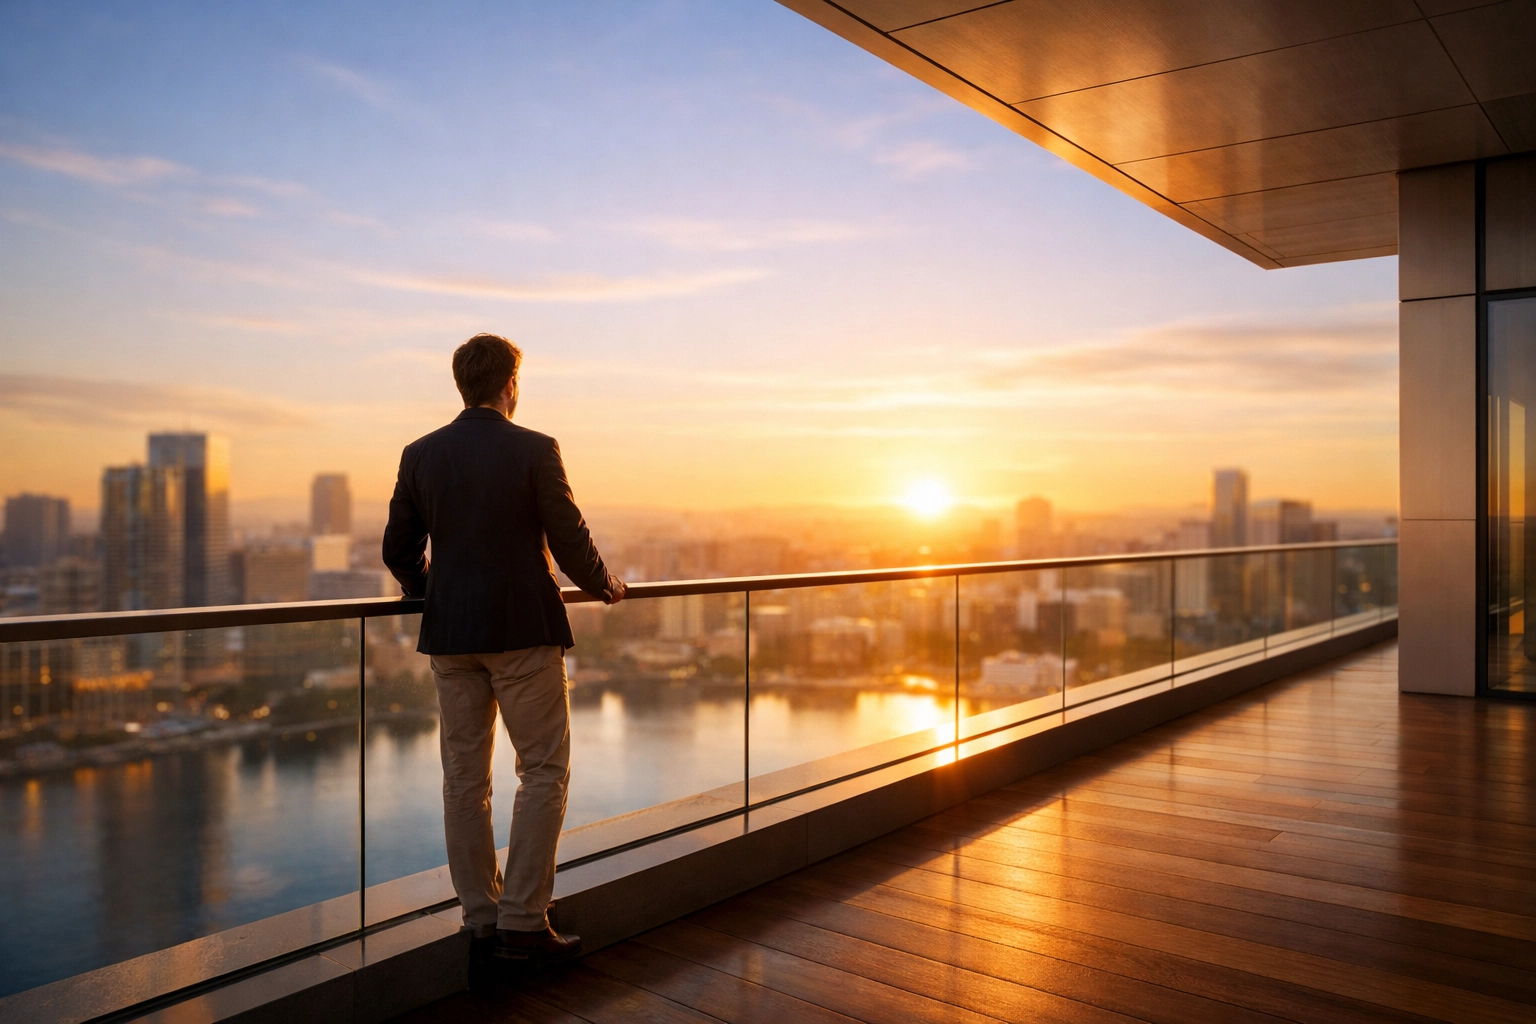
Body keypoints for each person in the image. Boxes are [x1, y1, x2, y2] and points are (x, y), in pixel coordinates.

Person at [382, 332, 625, 965]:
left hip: (452, 635)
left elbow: (397, 548)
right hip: (522, 631)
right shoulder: (535, 449)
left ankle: (481, 920)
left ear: (462, 385)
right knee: (542, 769)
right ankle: (523, 920)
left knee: (464, 778)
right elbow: (570, 540)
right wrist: (605, 585)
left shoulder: (420, 455)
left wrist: (426, 588)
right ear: (510, 384)